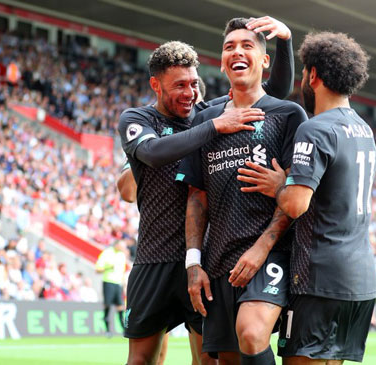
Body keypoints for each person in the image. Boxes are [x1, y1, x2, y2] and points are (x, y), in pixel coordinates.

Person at [117, 16, 295, 365]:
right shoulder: (138, 120)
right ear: (156, 85)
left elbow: (273, 93)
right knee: (140, 360)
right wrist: (215, 125)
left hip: (204, 259)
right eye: (179, 86)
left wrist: (285, 42)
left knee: (208, 360)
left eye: (194, 84)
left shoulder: (204, 113)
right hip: (154, 257)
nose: (190, 93)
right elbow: (151, 154)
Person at [237, 31, 376, 364]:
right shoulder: (363, 129)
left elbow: (296, 204)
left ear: (313, 75)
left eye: (303, 73)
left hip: (320, 278)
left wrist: (278, 186)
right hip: (360, 281)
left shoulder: (315, 128)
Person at [177, 17, 307, 365]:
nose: (237, 51)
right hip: (219, 261)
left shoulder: (288, 114)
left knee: (251, 333)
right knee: (229, 359)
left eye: (247, 46)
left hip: (270, 255)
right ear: (221, 62)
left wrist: (261, 249)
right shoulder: (206, 120)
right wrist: (194, 264)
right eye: (229, 47)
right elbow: (196, 196)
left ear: (264, 62)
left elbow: (294, 192)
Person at [95, 240, 128, 337]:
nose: (124, 248)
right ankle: (107, 330)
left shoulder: (122, 256)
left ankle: (124, 330)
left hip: (118, 284)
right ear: (117, 245)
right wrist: (109, 267)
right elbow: (97, 269)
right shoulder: (107, 253)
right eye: (122, 246)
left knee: (120, 306)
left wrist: (124, 284)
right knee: (107, 305)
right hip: (108, 282)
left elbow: (122, 271)